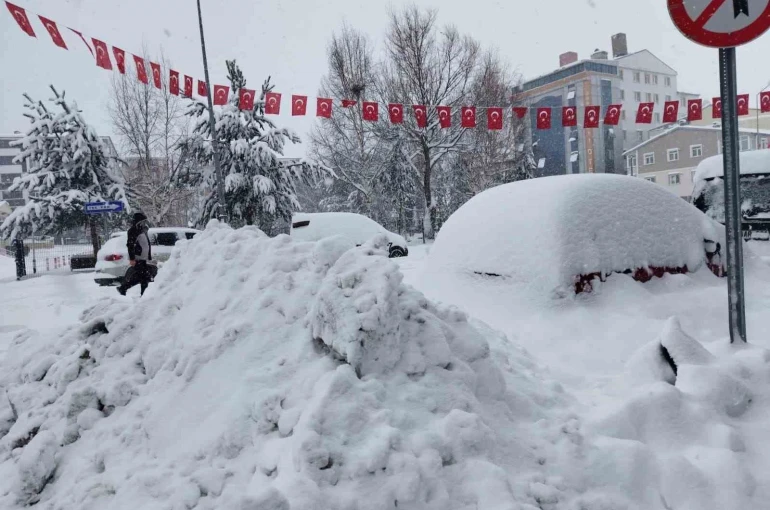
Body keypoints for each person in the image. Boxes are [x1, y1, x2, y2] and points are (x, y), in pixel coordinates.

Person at [118, 213, 155, 296]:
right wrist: (132, 258)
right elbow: (130, 245)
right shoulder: (132, 231)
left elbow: (146, 243)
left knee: (141, 277)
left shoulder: (142, 229)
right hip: (137, 258)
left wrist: (148, 256)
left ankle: (124, 288)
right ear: (139, 221)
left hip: (143, 258)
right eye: (143, 221)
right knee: (144, 277)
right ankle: (142, 294)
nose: (144, 223)